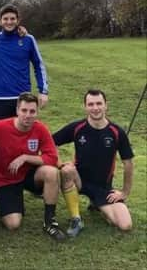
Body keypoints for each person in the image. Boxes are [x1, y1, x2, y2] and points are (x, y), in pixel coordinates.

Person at [0, 92, 66, 241]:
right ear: (17, 110)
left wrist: (25, 158)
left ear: (37, 112)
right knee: (13, 224)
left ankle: (50, 222)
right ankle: (1, 196)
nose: (28, 115)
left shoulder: (40, 129)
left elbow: (52, 158)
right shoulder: (0, 127)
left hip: (30, 175)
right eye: (24, 110)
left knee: (51, 172)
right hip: (6, 180)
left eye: (32, 111)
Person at [54, 89, 134, 235]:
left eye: (99, 103)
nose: (95, 108)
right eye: (90, 104)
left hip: (102, 187)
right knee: (66, 171)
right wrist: (60, 163)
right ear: (85, 107)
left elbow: (128, 163)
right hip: (79, 180)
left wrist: (124, 192)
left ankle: (98, 205)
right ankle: (76, 219)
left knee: (125, 225)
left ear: (106, 105)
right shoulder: (77, 128)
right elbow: (50, 143)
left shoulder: (116, 132)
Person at [0, 4, 48, 122]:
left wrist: (43, 91)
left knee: (24, 135)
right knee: (0, 137)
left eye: (12, 19)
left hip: (23, 98)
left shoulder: (28, 39)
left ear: (18, 20)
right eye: (5, 19)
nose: (9, 22)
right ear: (0, 21)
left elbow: (39, 65)